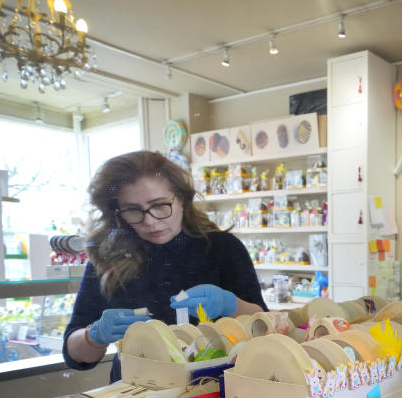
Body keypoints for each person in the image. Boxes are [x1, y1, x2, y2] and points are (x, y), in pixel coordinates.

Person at [64, 150, 265, 379]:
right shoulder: (110, 257)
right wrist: (94, 335)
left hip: (212, 389)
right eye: (133, 210)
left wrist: (231, 304)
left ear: (181, 199)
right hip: (136, 393)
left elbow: (262, 326)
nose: (150, 221)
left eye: (159, 205)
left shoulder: (222, 248)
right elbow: (75, 356)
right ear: (118, 212)